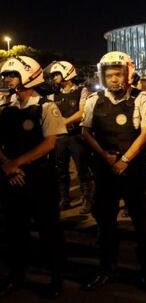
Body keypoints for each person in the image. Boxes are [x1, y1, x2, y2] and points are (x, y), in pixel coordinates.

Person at [80, 51, 146, 291]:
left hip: (134, 171)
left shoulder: (140, 98)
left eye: (118, 74)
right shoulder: (95, 100)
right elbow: (85, 132)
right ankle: (106, 269)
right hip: (105, 172)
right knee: (105, 225)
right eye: (109, 75)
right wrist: (105, 156)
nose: (113, 79)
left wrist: (124, 160)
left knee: (143, 224)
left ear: (128, 74)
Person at [0, 56, 66, 297]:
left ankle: (56, 278)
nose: (7, 79)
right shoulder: (5, 108)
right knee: (14, 230)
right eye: (6, 75)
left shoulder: (47, 106)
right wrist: (8, 166)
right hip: (11, 177)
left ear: (29, 75)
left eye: (12, 74)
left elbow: (49, 144)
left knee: (49, 230)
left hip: (40, 178)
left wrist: (16, 163)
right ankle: (17, 275)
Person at [48, 61, 94, 213]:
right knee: (60, 170)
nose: (54, 77)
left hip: (76, 136)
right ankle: (64, 199)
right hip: (60, 138)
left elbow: (82, 112)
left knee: (82, 168)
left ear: (67, 74)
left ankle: (87, 199)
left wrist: (62, 122)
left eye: (56, 74)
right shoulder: (53, 95)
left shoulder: (82, 91)